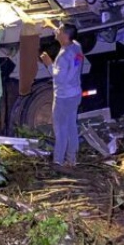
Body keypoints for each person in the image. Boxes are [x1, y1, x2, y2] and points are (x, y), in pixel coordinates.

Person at [39, 23, 83, 168]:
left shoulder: (63, 57)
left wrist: (48, 63)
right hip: (75, 94)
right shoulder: (76, 46)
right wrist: (51, 26)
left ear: (64, 36)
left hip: (63, 98)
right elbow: (65, 33)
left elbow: (59, 78)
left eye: (59, 30)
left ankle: (58, 161)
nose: (56, 31)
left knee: (60, 130)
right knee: (71, 127)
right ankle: (72, 160)